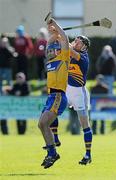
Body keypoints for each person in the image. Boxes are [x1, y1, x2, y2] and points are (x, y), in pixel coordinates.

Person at [50, 35, 93, 165]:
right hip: (67, 90)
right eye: (76, 40)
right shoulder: (70, 53)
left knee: (84, 124)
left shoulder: (83, 57)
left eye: (78, 41)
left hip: (79, 93)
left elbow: (67, 48)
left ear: (84, 46)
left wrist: (60, 34)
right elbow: (58, 50)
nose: (76, 42)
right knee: (52, 112)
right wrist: (56, 35)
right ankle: (56, 139)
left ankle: (88, 154)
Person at [38, 18, 70, 169]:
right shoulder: (48, 61)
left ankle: (52, 153)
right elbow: (50, 42)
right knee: (41, 125)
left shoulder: (63, 58)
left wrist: (55, 25)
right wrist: (53, 31)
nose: (49, 51)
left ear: (58, 51)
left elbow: (64, 38)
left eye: (52, 49)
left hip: (59, 96)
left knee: (44, 123)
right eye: (49, 49)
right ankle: (52, 153)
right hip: (51, 97)